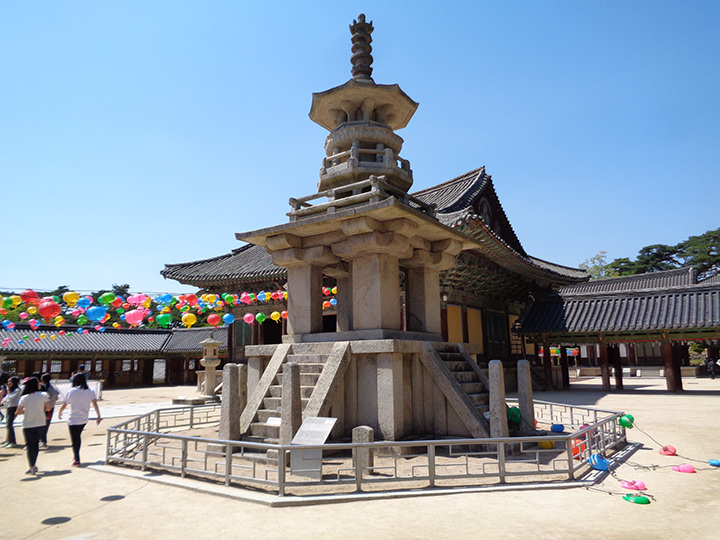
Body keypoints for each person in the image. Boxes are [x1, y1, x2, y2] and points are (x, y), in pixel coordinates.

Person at [58, 373, 101, 466]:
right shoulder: (90, 391)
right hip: (84, 418)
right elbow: (95, 404)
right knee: (77, 436)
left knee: (75, 439)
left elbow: (65, 403)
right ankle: (76, 456)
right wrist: (98, 415)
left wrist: (60, 412)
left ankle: (76, 458)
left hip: (73, 419)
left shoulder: (72, 391)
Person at [16, 377, 50, 475]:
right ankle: (33, 464)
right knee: (35, 444)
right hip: (40, 422)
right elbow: (48, 408)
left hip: (27, 424)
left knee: (29, 445)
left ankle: (31, 466)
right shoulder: (43, 395)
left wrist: (26, 410)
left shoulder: (24, 397)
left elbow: (19, 411)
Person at [39, 373, 60, 447]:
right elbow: (56, 396)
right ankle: (43, 440)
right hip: (51, 407)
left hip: (42, 407)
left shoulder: (42, 387)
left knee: (41, 423)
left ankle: (42, 439)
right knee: (46, 424)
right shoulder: (53, 387)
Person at [1, 376, 21, 447]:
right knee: (8, 424)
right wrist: (3, 400)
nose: (9, 383)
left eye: (10, 381)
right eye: (8, 381)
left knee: (9, 425)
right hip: (9, 408)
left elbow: (10, 398)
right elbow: (6, 398)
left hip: (13, 408)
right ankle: (9, 440)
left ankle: (13, 442)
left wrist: (8, 392)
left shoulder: (17, 390)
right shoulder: (12, 390)